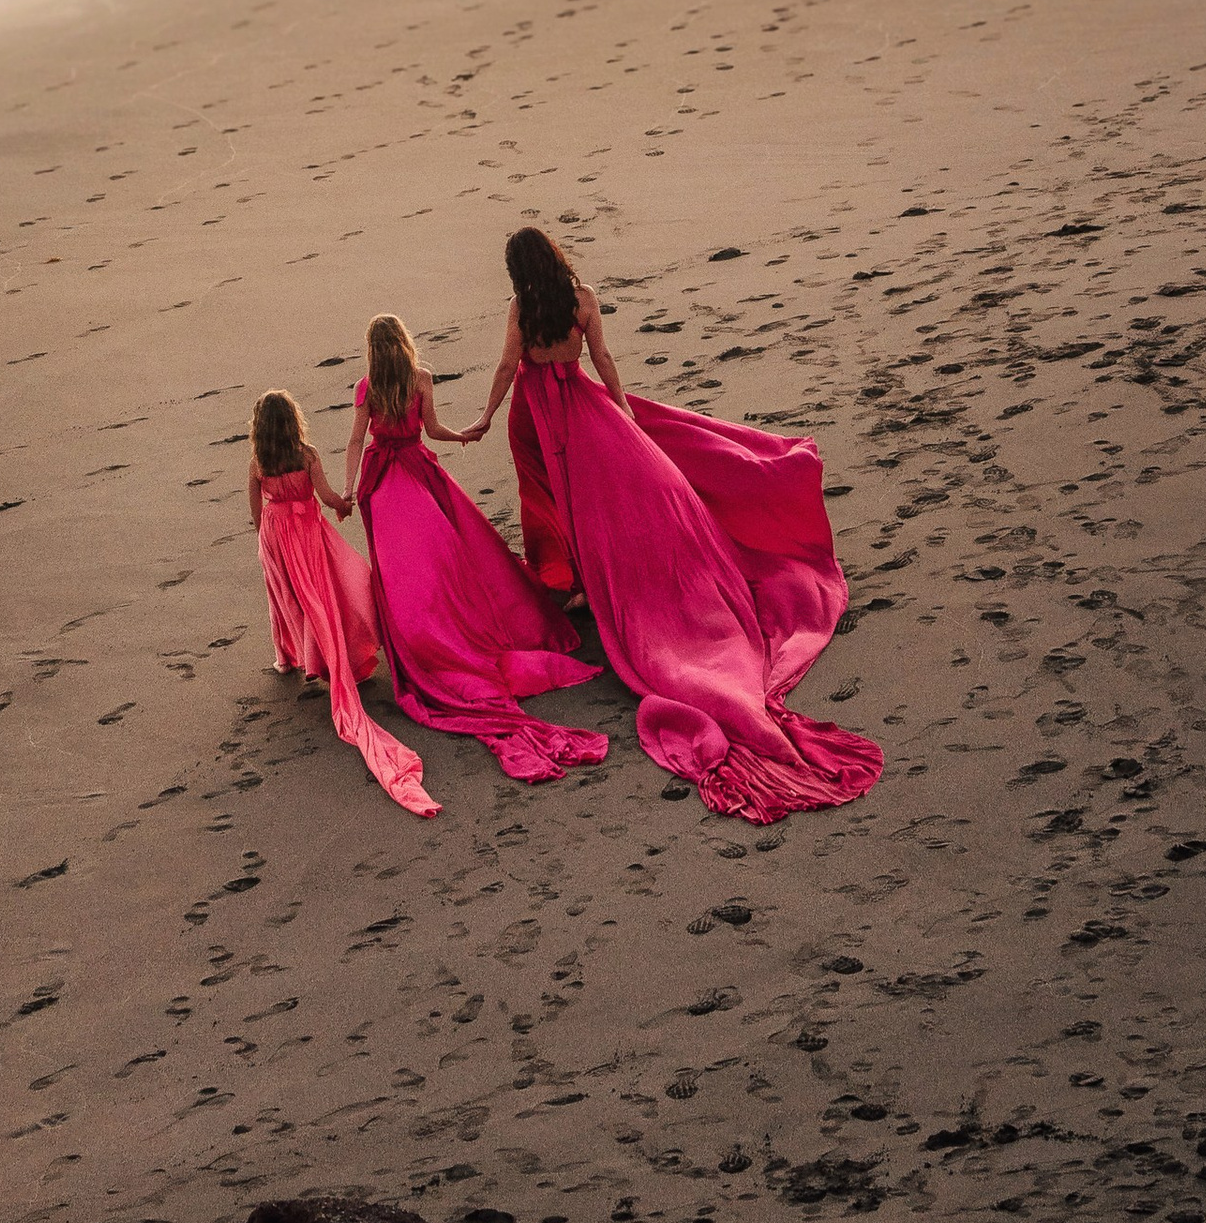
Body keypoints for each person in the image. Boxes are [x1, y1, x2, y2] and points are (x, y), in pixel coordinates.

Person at [484, 228, 881, 826]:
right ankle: (583, 582)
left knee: (549, 500)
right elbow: (603, 362)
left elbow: (510, 364)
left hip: (535, 415)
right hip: (585, 408)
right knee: (605, 501)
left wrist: (484, 418)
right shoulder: (582, 297)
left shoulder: (521, 308)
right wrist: (622, 413)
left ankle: (570, 583)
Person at [344, 311, 608, 786]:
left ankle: (417, 639)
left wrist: (347, 488)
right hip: (418, 474)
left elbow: (355, 440)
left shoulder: (367, 388)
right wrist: (465, 434)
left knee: (398, 567)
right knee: (447, 552)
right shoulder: (420, 378)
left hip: (383, 483)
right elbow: (433, 430)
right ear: (404, 343)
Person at [245, 389, 436, 818]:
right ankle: (333, 653)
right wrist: (344, 506)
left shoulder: (258, 463)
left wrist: (266, 539)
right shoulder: (307, 453)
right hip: (309, 536)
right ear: (294, 421)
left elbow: (256, 510)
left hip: (277, 537)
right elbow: (327, 495)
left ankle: (288, 657)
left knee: (288, 600)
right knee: (329, 593)